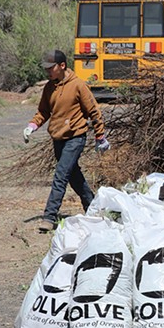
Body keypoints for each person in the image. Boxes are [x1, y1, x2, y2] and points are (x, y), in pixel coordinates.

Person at [22, 50, 110, 231]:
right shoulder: (49, 87)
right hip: (58, 138)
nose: (48, 72)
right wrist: (32, 125)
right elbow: (43, 111)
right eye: (46, 69)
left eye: (51, 68)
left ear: (62, 66)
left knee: (60, 175)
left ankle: (49, 216)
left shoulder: (78, 85)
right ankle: (92, 207)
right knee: (74, 176)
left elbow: (94, 111)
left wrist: (100, 136)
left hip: (75, 138)